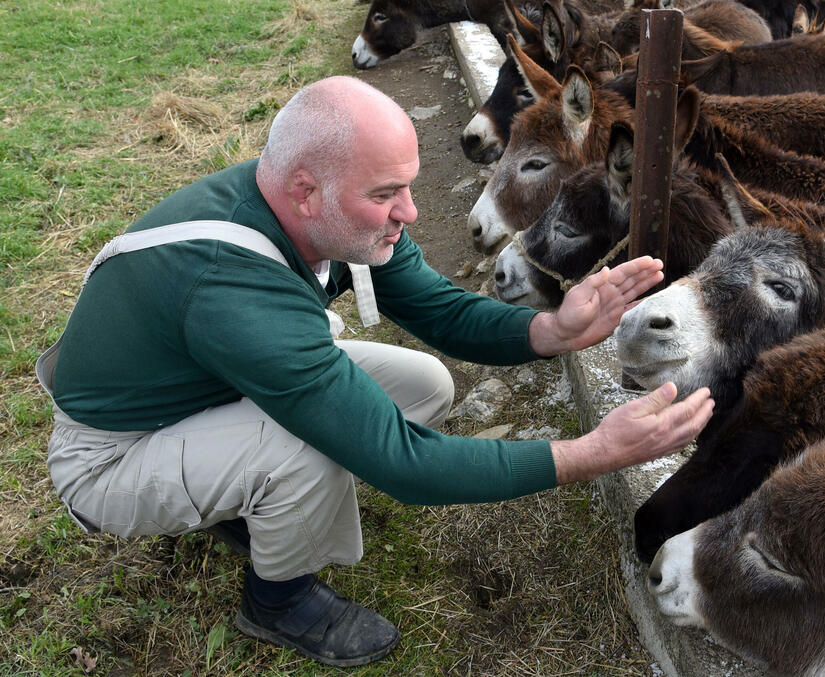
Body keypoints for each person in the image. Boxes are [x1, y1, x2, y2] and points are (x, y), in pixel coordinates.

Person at [37, 76, 714, 668]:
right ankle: (279, 599)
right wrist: (594, 451)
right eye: (387, 193)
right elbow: (405, 466)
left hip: (205, 388)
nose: (410, 212)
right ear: (307, 192)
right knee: (310, 444)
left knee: (427, 386)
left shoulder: (321, 204)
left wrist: (551, 328)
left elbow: (439, 310)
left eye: (409, 186)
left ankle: (240, 496)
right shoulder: (234, 287)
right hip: (111, 454)